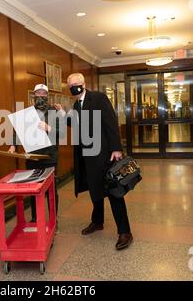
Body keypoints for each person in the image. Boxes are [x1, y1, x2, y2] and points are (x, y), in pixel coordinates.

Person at [56, 73, 133, 250]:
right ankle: (97, 221)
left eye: (77, 83)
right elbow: (76, 123)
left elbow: (111, 122)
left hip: (104, 154)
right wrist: (62, 113)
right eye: (71, 84)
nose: (74, 86)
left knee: (114, 192)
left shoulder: (98, 98)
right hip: (87, 156)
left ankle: (125, 232)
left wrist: (116, 148)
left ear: (83, 84)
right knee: (95, 189)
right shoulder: (77, 104)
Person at [8, 84, 63, 223]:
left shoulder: (54, 111)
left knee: (51, 190)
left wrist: (48, 127)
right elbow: (18, 131)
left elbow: (61, 133)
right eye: (38, 93)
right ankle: (34, 218)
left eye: (43, 93)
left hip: (49, 157)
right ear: (34, 95)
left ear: (47, 96)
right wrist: (13, 145)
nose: (40, 96)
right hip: (32, 157)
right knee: (33, 189)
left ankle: (53, 219)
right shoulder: (27, 113)